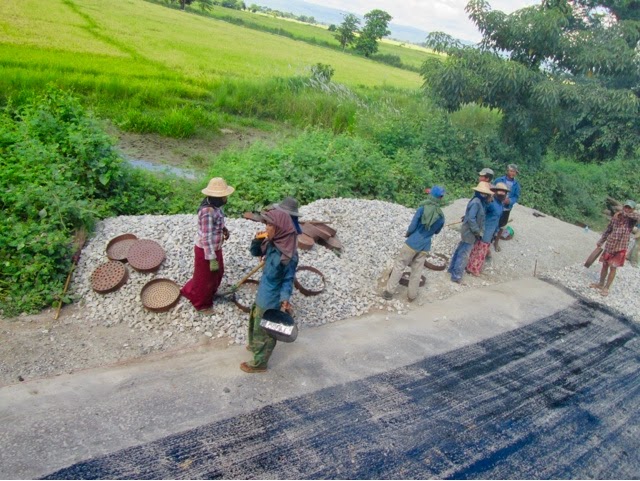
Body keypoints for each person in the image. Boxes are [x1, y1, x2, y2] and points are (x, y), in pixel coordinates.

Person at [242, 208, 298, 373]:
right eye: (266, 224)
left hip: (272, 297)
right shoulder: (272, 242)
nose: (266, 228)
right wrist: (257, 240)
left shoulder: (288, 255)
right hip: (263, 290)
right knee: (255, 319)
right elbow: (255, 252)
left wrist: (284, 299)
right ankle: (255, 346)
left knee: (265, 329)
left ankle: (259, 363)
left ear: (280, 228)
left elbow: (288, 280)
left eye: (270, 225)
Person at [382, 185, 446, 302]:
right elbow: (436, 231)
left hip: (412, 243)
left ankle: (389, 293)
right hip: (425, 246)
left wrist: (408, 233)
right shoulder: (441, 216)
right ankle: (412, 296)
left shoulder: (422, 209)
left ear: (431, 195)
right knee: (417, 271)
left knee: (400, 265)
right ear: (440, 198)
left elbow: (412, 227)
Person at [181, 177, 234, 312]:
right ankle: (201, 304)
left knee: (217, 272)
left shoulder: (216, 208)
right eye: (224, 196)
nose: (226, 198)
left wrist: (224, 229)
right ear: (217, 197)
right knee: (205, 278)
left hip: (215, 248)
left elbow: (216, 224)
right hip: (206, 251)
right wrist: (211, 258)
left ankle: (202, 292)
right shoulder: (207, 212)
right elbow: (206, 237)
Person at [590, 200, 640, 296]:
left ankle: (606, 288)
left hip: (620, 248)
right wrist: (601, 241)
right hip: (610, 245)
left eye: (629, 208)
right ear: (623, 206)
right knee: (605, 266)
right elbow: (608, 230)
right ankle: (601, 284)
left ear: (633, 209)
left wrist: (623, 213)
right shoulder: (616, 217)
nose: (627, 209)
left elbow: (638, 217)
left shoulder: (632, 219)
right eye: (626, 207)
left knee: (613, 268)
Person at [448, 181, 493, 283]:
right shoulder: (476, 202)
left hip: (470, 231)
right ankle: (456, 275)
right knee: (464, 253)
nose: (485, 195)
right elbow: (471, 218)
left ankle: (452, 269)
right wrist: (477, 231)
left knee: (460, 250)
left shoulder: (480, 202)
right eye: (484, 193)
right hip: (469, 232)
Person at [466, 182, 508, 276]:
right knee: (480, 249)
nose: (502, 193)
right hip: (485, 229)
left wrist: (496, 230)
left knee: (481, 249)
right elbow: (481, 213)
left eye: (504, 192)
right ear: (495, 192)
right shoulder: (491, 203)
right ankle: (473, 269)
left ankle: (471, 267)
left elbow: (497, 218)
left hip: (492, 230)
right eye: (500, 191)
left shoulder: (500, 204)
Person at [493, 164, 521, 252]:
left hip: (506, 208)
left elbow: (516, 196)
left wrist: (510, 201)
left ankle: (496, 242)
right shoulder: (499, 180)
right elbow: (492, 189)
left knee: (502, 224)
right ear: (507, 171)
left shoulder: (516, 185)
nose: (512, 173)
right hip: (496, 205)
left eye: (514, 172)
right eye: (511, 171)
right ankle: (488, 238)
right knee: (492, 220)